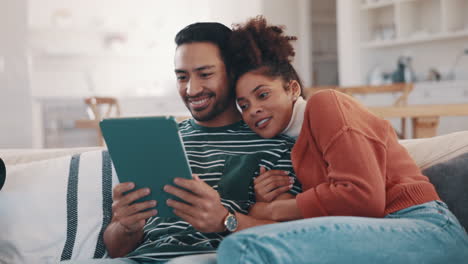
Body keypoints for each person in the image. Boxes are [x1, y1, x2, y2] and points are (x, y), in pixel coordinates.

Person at [216, 16, 468, 264]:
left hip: (425, 228)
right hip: (377, 231)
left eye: (262, 94)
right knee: (243, 246)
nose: (254, 110)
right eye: (244, 105)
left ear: (292, 89)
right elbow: (324, 213)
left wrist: (272, 210)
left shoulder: (325, 104)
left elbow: (362, 198)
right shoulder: (292, 148)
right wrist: (266, 203)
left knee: (244, 247)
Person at [62, 22, 301, 264]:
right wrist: (125, 225)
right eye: (182, 77)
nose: (191, 89)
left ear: (232, 72)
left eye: (205, 74)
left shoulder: (276, 146)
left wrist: (224, 219)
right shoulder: (156, 143)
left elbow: (291, 242)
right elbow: (116, 250)